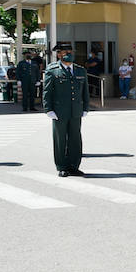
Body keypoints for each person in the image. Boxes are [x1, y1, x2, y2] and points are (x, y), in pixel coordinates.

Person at [42, 42, 89, 177]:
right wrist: (48, 109)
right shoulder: (52, 70)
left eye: (70, 51)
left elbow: (84, 91)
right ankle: (62, 166)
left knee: (75, 139)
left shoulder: (80, 70)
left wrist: (85, 107)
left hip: (76, 110)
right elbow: (47, 91)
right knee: (60, 139)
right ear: (59, 54)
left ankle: (74, 166)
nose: (68, 54)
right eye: (65, 52)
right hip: (59, 111)